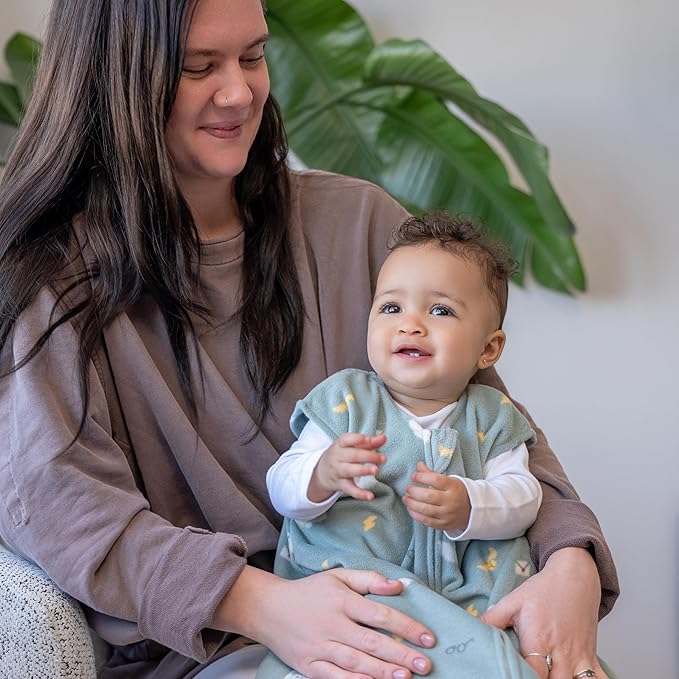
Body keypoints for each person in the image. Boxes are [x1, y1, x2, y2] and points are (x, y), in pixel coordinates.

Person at [0, 0, 617, 678]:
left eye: (253, 56)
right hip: (226, 648)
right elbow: (61, 506)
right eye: (198, 67)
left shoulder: (358, 221)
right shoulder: (51, 280)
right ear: (114, 77)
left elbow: (488, 422)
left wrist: (571, 560)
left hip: (441, 622)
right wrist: (262, 605)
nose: (239, 94)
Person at [260, 213, 544, 678]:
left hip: (464, 601)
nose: (410, 324)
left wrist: (469, 504)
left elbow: (525, 497)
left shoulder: (492, 416)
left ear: (488, 349)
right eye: (391, 308)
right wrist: (323, 472)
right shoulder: (345, 400)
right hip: (359, 588)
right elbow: (282, 488)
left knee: (502, 642)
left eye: (440, 311)